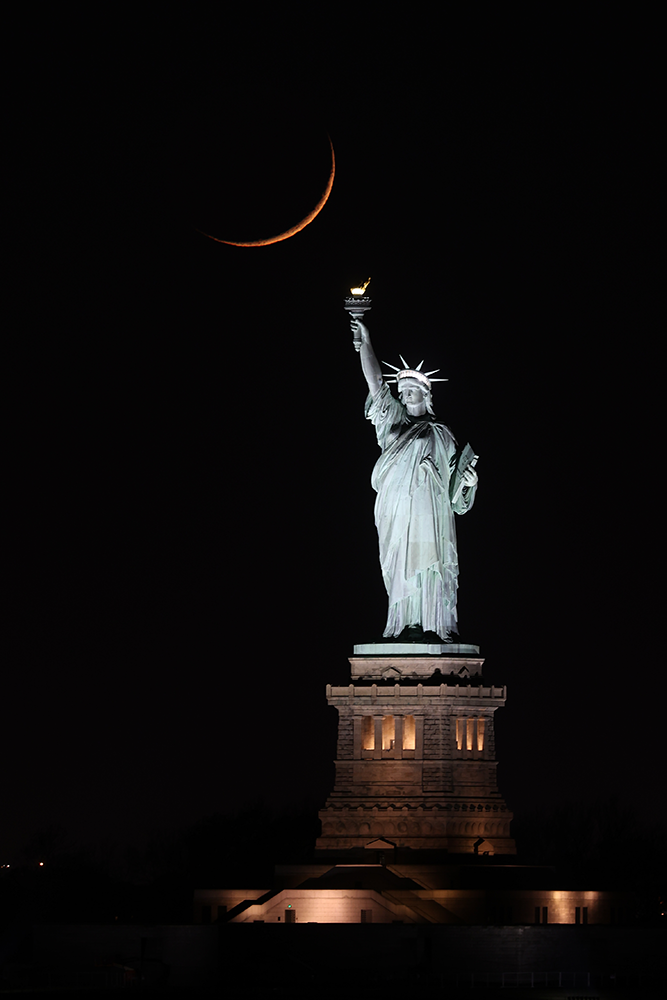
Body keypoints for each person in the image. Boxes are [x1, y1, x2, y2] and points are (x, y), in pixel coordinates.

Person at [352, 317, 478, 642]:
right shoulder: (392, 421)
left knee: (429, 562)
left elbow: (456, 495)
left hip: (431, 511)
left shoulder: (442, 433)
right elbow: (376, 383)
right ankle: (404, 621)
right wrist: (365, 341)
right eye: (402, 390)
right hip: (397, 508)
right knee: (400, 561)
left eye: (411, 390)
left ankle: (432, 622)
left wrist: (468, 482)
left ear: (426, 393)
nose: (405, 394)